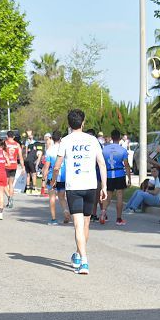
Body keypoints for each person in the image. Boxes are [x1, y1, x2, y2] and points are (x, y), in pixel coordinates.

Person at [52, 109, 107, 275]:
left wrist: (53, 180)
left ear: (69, 124)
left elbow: (57, 165)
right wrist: (104, 186)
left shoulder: (66, 141)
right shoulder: (92, 140)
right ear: (83, 123)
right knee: (86, 224)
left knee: (78, 225)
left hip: (74, 187)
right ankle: (78, 254)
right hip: (91, 185)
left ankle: (84, 261)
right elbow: (101, 164)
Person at [100, 129, 130, 225]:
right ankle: (119, 219)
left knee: (108, 195)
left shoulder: (104, 149)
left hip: (108, 174)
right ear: (119, 137)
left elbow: (101, 162)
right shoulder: (122, 150)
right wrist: (129, 177)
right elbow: (126, 165)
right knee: (119, 196)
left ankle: (103, 212)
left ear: (111, 137)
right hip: (119, 173)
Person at [43, 131, 71, 225]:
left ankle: (54, 219)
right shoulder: (65, 150)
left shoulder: (49, 151)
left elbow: (46, 167)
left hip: (52, 177)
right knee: (62, 197)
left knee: (52, 198)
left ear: (52, 138)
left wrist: (44, 178)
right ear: (61, 138)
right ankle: (65, 211)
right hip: (63, 176)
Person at [3, 131, 23, 208]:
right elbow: (20, 157)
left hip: (6, 165)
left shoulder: (5, 143)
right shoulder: (17, 145)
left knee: (4, 184)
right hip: (14, 165)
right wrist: (23, 166)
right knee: (11, 184)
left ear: (7, 136)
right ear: (14, 137)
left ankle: (9, 198)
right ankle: (10, 199)